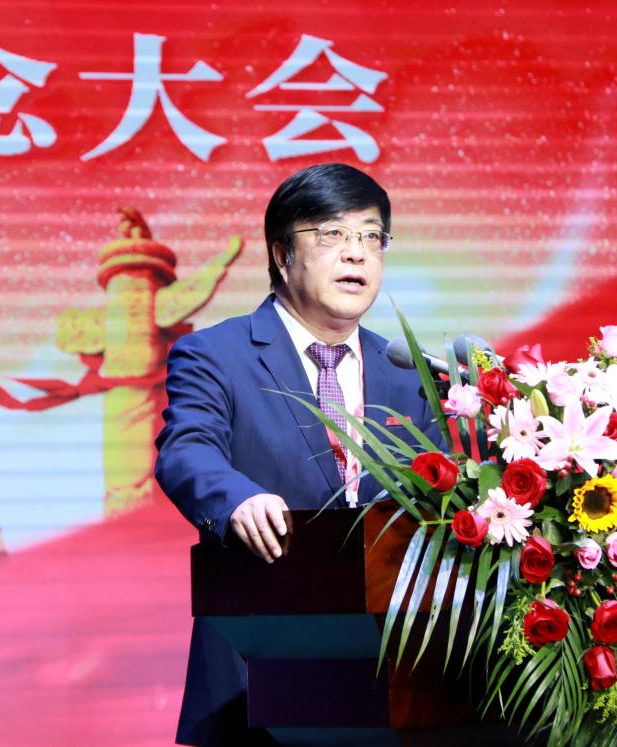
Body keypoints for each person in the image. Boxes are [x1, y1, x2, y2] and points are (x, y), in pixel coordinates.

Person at [155, 163, 445, 746]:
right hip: (257, 673)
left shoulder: (412, 374)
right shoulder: (216, 354)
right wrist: (236, 500)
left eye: (371, 236)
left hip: (399, 685)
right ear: (282, 254)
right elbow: (186, 449)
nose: (357, 253)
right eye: (332, 234)